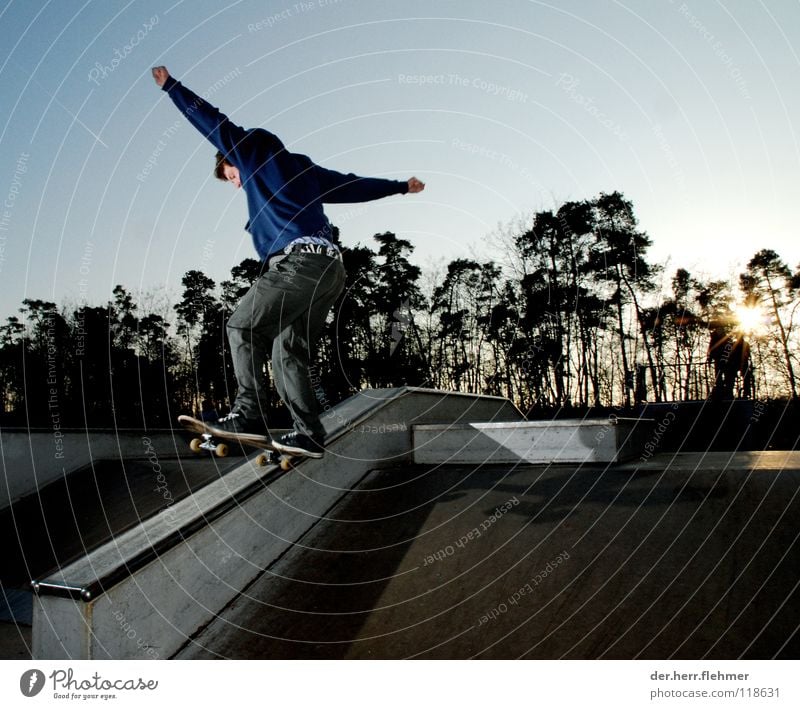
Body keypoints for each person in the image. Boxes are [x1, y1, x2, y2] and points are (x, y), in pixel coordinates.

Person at [152, 66, 425, 458]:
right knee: (288, 352)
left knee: (242, 326)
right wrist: (400, 186)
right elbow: (353, 184)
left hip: (300, 264)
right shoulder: (305, 170)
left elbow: (211, 121)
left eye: (230, 176)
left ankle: (247, 414)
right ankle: (309, 433)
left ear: (235, 159)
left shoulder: (249, 152)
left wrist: (171, 87)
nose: (236, 184)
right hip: (330, 270)